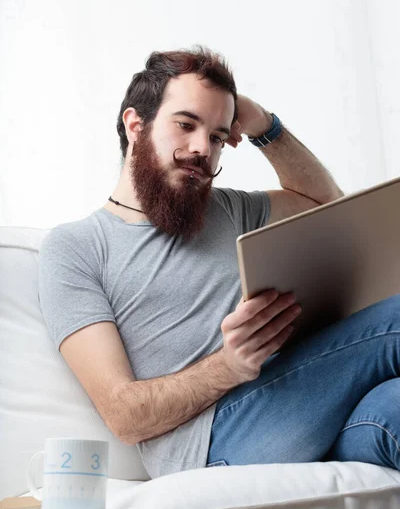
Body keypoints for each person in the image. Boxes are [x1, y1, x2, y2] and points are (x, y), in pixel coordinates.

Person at [38, 46, 400, 478]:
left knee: (392, 413)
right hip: (211, 443)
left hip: (303, 410)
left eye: (215, 136)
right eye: (186, 124)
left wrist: (264, 124)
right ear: (136, 125)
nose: (201, 148)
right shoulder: (76, 247)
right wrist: (229, 366)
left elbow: (327, 205)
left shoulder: (226, 209)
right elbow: (124, 415)